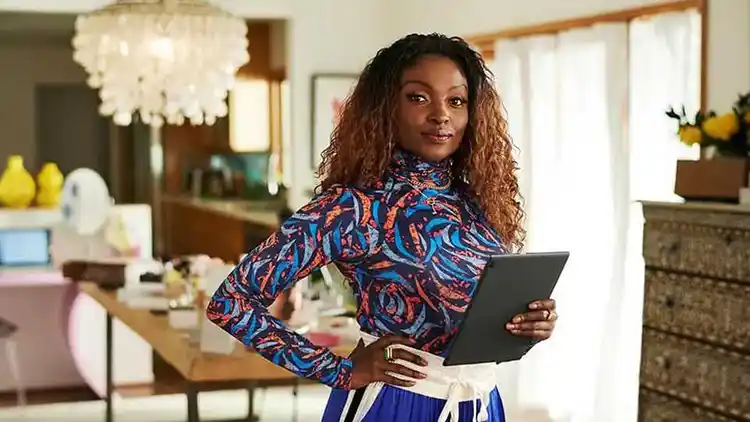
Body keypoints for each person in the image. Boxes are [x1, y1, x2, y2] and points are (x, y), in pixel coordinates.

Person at [206, 33, 558, 422]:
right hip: (395, 403)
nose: (441, 115)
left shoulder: (478, 202)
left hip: (479, 402)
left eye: (456, 101)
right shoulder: (353, 207)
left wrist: (528, 324)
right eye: (418, 97)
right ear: (386, 107)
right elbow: (231, 302)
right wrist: (340, 371)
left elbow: (470, 314)